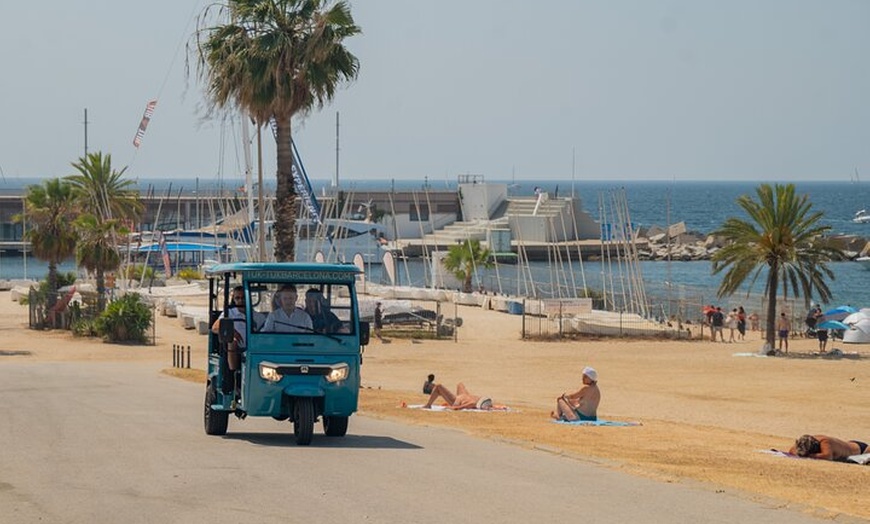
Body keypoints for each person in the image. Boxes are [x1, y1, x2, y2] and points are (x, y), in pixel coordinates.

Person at [211, 286, 246, 370]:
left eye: (243, 298)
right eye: (238, 298)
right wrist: (232, 332)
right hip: (236, 348)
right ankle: (232, 372)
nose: (241, 300)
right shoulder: (229, 312)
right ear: (234, 299)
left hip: (252, 347)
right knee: (231, 342)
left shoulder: (255, 315)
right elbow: (215, 328)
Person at [789, 434, 868, 461]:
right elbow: (792, 450)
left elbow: (827, 456)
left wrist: (808, 455)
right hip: (848, 446)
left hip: (861, 450)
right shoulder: (803, 442)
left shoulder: (824, 441)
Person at [422, 382, 493, 410]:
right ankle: (436, 392)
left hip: (456, 401)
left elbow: (471, 404)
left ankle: (428, 404)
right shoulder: (483, 400)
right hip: (462, 396)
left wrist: (455, 407)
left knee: (438, 386)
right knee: (460, 384)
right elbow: (493, 406)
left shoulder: (476, 403)